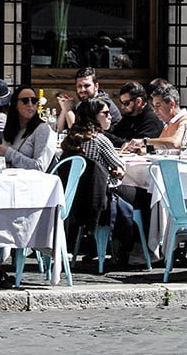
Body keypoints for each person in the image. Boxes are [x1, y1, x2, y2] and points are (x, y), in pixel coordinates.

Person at [61, 97, 136, 267]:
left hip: (78, 199)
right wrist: (115, 170)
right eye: (105, 113)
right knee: (145, 196)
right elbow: (120, 166)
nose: (110, 117)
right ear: (93, 116)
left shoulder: (71, 138)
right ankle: (135, 249)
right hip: (100, 196)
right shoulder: (99, 139)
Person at [124, 82, 187, 154]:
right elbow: (161, 149)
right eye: (154, 106)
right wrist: (135, 147)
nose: (155, 110)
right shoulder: (169, 124)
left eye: (158, 105)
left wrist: (144, 141)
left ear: (171, 104)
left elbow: (174, 143)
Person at [0, 86, 56, 170]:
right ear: (15, 105)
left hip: (33, 182)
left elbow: (40, 167)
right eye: (25, 101)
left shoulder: (42, 129)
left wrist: (9, 153)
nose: (30, 104)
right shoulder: (11, 128)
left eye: (34, 100)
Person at [56, 67, 122, 133]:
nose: (82, 90)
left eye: (87, 86)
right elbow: (59, 130)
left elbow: (78, 134)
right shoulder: (83, 103)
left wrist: (68, 110)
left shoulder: (101, 104)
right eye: (79, 86)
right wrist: (64, 108)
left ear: (96, 86)